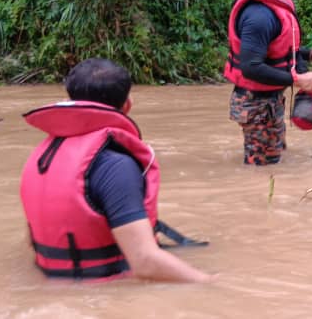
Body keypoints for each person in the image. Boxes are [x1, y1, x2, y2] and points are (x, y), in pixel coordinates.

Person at [19, 58, 212, 282]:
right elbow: (145, 263)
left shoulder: (42, 155)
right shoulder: (115, 166)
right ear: (127, 104)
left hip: (55, 284)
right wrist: (211, 283)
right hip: (104, 290)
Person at [224, 0, 312, 165]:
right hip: (255, 104)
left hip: (269, 101)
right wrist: (297, 79)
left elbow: (281, 50)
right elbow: (251, 67)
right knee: (262, 168)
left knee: (276, 156)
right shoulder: (259, 17)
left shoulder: (276, 6)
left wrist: (311, 55)